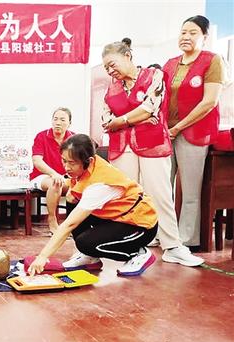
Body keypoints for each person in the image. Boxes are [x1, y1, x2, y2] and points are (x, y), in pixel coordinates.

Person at [101, 38, 203, 267]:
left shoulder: (154, 76)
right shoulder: (111, 88)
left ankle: (172, 246)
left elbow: (149, 108)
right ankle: (130, 245)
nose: (110, 70)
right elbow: (106, 120)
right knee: (127, 196)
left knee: (160, 194)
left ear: (128, 56)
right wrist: (130, 120)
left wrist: (123, 121)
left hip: (153, 144)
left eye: (112, 64)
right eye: (106, 68)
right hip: (122, 147)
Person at [28, 134, 158, 277]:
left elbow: (70, 224)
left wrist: (42, 257)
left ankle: (138, 253)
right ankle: (89, 257)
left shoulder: (99, 185)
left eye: (72, 163)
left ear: (88, 160)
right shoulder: (89, 166)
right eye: (64, 161)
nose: (66, 167)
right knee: (72, 199)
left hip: (140, 226)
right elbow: (72, 196)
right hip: (118, 217)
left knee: (86, 243)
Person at [163, 16, 226, 247]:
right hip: (166, 133)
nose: (186, 37)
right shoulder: (170, 63)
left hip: (194, 134)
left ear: (204, 37)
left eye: (192, 33)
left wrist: (178, 127)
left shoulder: (213, 61)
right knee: (162, 188)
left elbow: (209, 102)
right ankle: (163, 235)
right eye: (183, 32)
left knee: (190, 191)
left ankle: (186, 240)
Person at [29, 107, 75, 234]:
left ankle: (73, 223)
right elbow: (37, 161)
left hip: (65, 177)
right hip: (42, 176)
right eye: (55, 119)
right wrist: (54, 174)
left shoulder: (74, 138)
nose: (58, 123)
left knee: (82, 186)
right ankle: (52, 220)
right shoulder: (41, 136)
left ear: (69, 123)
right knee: (56, 183)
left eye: (62, 120)